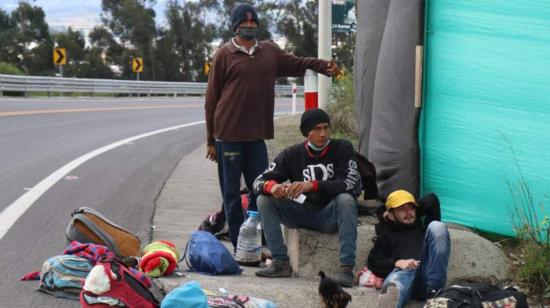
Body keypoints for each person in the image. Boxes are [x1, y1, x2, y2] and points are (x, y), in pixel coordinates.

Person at [204, 2, 340, 250]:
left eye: (252, 22)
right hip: (228, 136)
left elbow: (297, 64)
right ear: (235, 26)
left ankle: (259, 238)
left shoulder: (269, 52)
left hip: (257, 137)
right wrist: (211, 140)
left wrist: (323, 66)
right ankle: (239, 245)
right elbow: (211, 98)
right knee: (232, 195)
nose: (248, 26)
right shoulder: (224, 54)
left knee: (261, 190)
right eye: (243, 23)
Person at [252, 109, 361, 288]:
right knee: (264, 200)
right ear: (306, 132)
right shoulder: (291, 154)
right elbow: (258, 181)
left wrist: (313, 184)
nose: (323, 134)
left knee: (346, 199)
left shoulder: (342, 148)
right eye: (317, 129)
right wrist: (273, 187)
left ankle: (346, 268)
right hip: (300, 212)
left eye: (326, 128)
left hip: (329, 214)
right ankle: (280, 262)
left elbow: (348, 183)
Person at [367, 190, 450, 308]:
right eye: (402, 209)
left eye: (411, 208)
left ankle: (435, 296)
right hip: (404, 276)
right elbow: (373, 262)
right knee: (397, 281)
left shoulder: (422, 227)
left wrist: (412, 210)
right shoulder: (386, 234)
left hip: (427, 277)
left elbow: (431, 200)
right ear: (391, 215)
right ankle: (391, 300)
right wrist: (398, 262)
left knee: (438, 226)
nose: (408, 212)